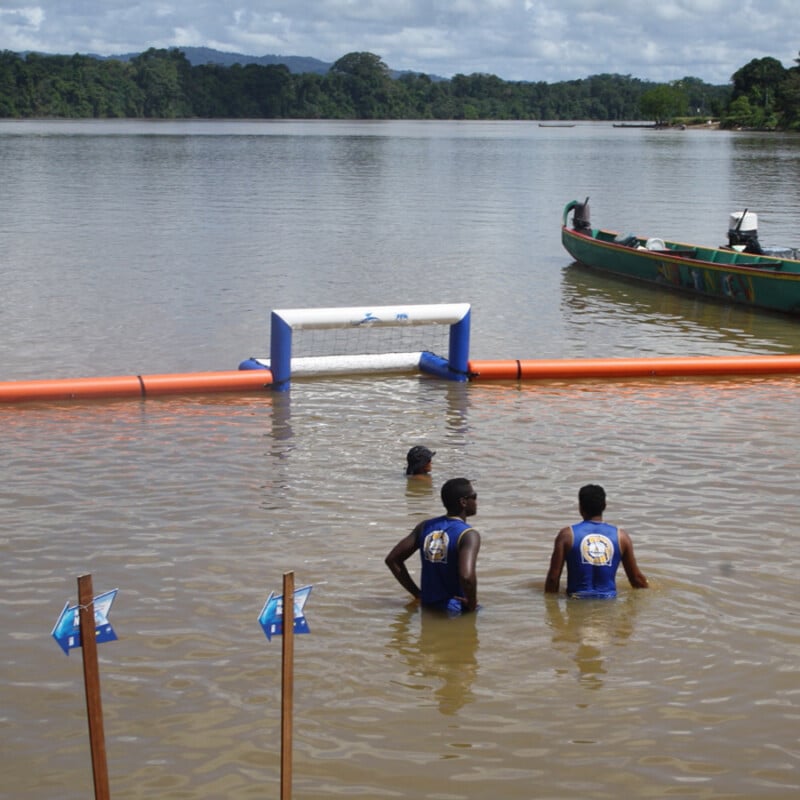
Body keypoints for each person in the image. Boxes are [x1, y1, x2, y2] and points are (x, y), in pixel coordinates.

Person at [385, 477, 481, 613]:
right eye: (474, 497)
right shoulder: (468, 534)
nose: (476, 501)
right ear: (463, 502)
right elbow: (466, 577)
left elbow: (393, 560)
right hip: (456, 611)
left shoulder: (425, 526)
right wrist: (471, 604)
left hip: (428, 607)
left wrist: (418, 594)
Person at [545, 484, 648, 598]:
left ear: (580, 507)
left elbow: (553, 579)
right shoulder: (621, 537)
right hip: (609, 606)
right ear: (604, 506)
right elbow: (636, 579)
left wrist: (551, 609)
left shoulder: (567, 535)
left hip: (576, 602)